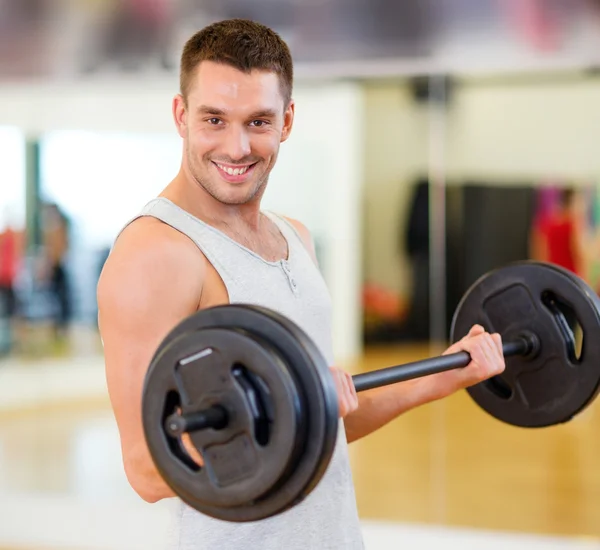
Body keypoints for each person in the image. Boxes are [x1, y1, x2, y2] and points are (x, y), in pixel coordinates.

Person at [97, 19, 505, 550]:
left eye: (258, 121)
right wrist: (285, 412)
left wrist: (446, 374)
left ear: (287, 121)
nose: (237, 146)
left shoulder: (296, 239)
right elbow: (147, 470)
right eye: (214, 119)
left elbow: (322, 422)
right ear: (181, 115)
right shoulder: (156, 253)